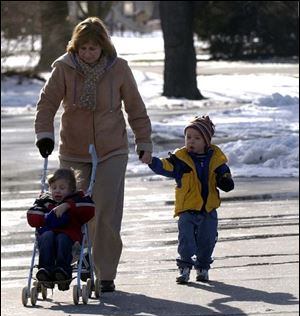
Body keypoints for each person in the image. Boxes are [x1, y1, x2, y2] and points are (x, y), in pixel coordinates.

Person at [34, 17, 152, 292]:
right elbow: (47, 103)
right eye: (83, 48)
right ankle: (75, 258)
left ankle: (105, 272)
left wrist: (143, 140)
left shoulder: (119, 68)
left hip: (112, 150)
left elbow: (135, 107)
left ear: (103, 47)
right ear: (75, 47)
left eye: (93, 48)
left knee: (104, 212)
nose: (88, 53)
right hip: (74, 151)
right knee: (73, 211)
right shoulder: (64, 68)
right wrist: (44, 136)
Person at [148, 115, 234, 284]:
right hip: (187, 209)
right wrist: (152, 161)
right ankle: (185, 267)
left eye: (196, 138)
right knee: (186, 240)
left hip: (208, 210)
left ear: (206, 141)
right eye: (188, 138)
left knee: (207, 240)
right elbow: (165, 166)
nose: (191, 142)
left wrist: (225, 181)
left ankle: (202, 266)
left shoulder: (216, 161)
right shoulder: (180, 160)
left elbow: (225, 176)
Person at [27, 168, 95, 290]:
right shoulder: (46, 201)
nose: (57, 191)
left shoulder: (78, 199)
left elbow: (89, 210)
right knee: (47, 236)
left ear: (71, 189)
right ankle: (45, 271)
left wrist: (69, 205)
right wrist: (44, 215)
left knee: (62, 238)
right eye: (54, 188)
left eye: (62, 188)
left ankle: (63, 271)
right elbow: (32, 219)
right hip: (48, 238)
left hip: (70, 240)